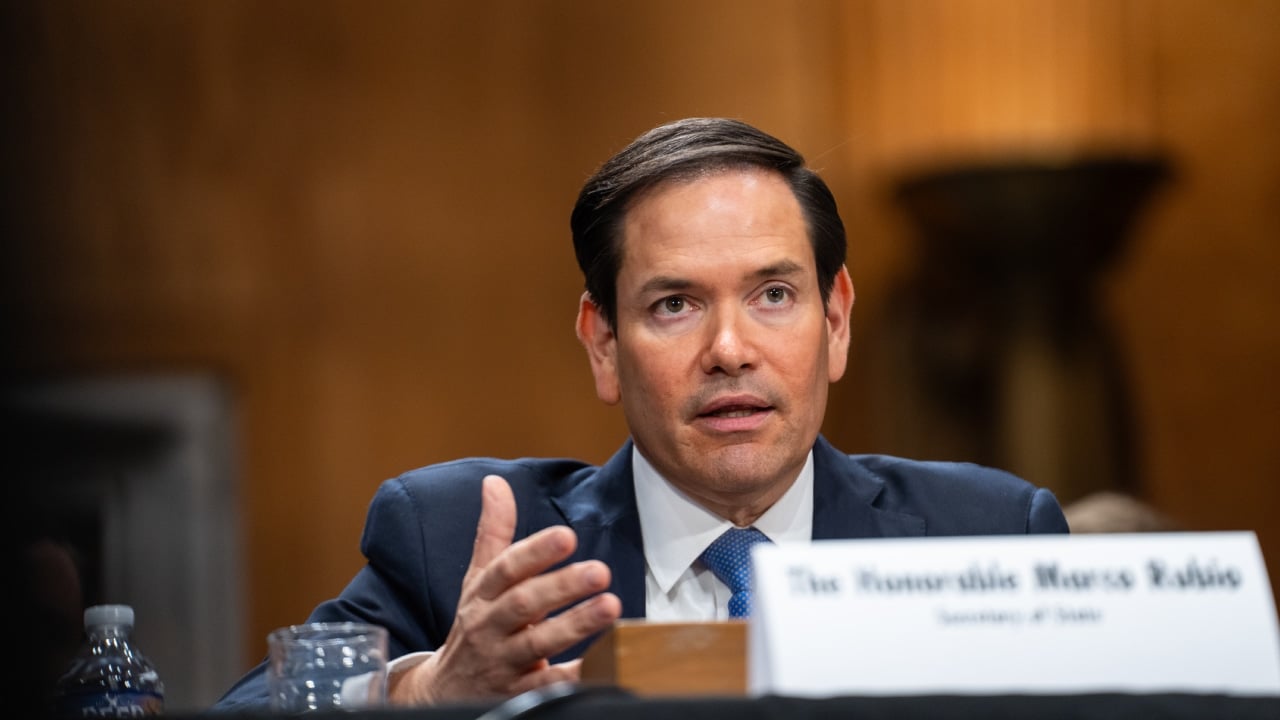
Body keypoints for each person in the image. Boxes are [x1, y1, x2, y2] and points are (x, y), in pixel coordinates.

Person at [214, 117, 1068, 710]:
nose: (729, 349)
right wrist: (426, 692)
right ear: (603, 344)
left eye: (773, 295)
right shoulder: (464, 544)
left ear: (836, 321)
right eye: (674, 305)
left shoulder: (987, 537)